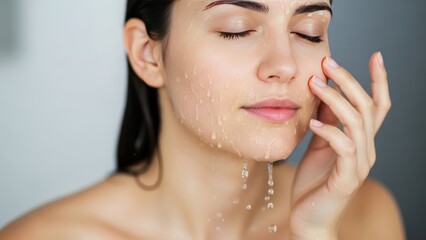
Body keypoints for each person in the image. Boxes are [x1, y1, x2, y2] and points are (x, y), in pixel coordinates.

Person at [0, 0, 405, 239]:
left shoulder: (363, 217)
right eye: (237, 29)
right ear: (147, 54)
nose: (284, 66)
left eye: (309, 31)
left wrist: (315, 234)